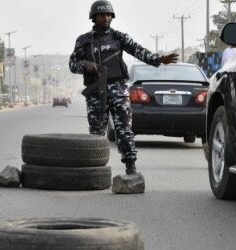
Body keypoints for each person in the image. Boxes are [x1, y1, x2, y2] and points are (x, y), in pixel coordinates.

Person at [69, 0, 178, 175]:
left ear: (112, 17)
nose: (105, 18)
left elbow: (139, 51)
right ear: (93, 17)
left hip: (118, 90)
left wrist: (159, 59)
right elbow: (73, 64)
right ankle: (95, 168)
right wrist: (86, 65)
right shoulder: (84, 41)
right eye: (101, 15)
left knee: (124, 130)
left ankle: (130, 166)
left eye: (108, 15)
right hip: (96, 91)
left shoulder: (119, 37)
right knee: (96, 133)